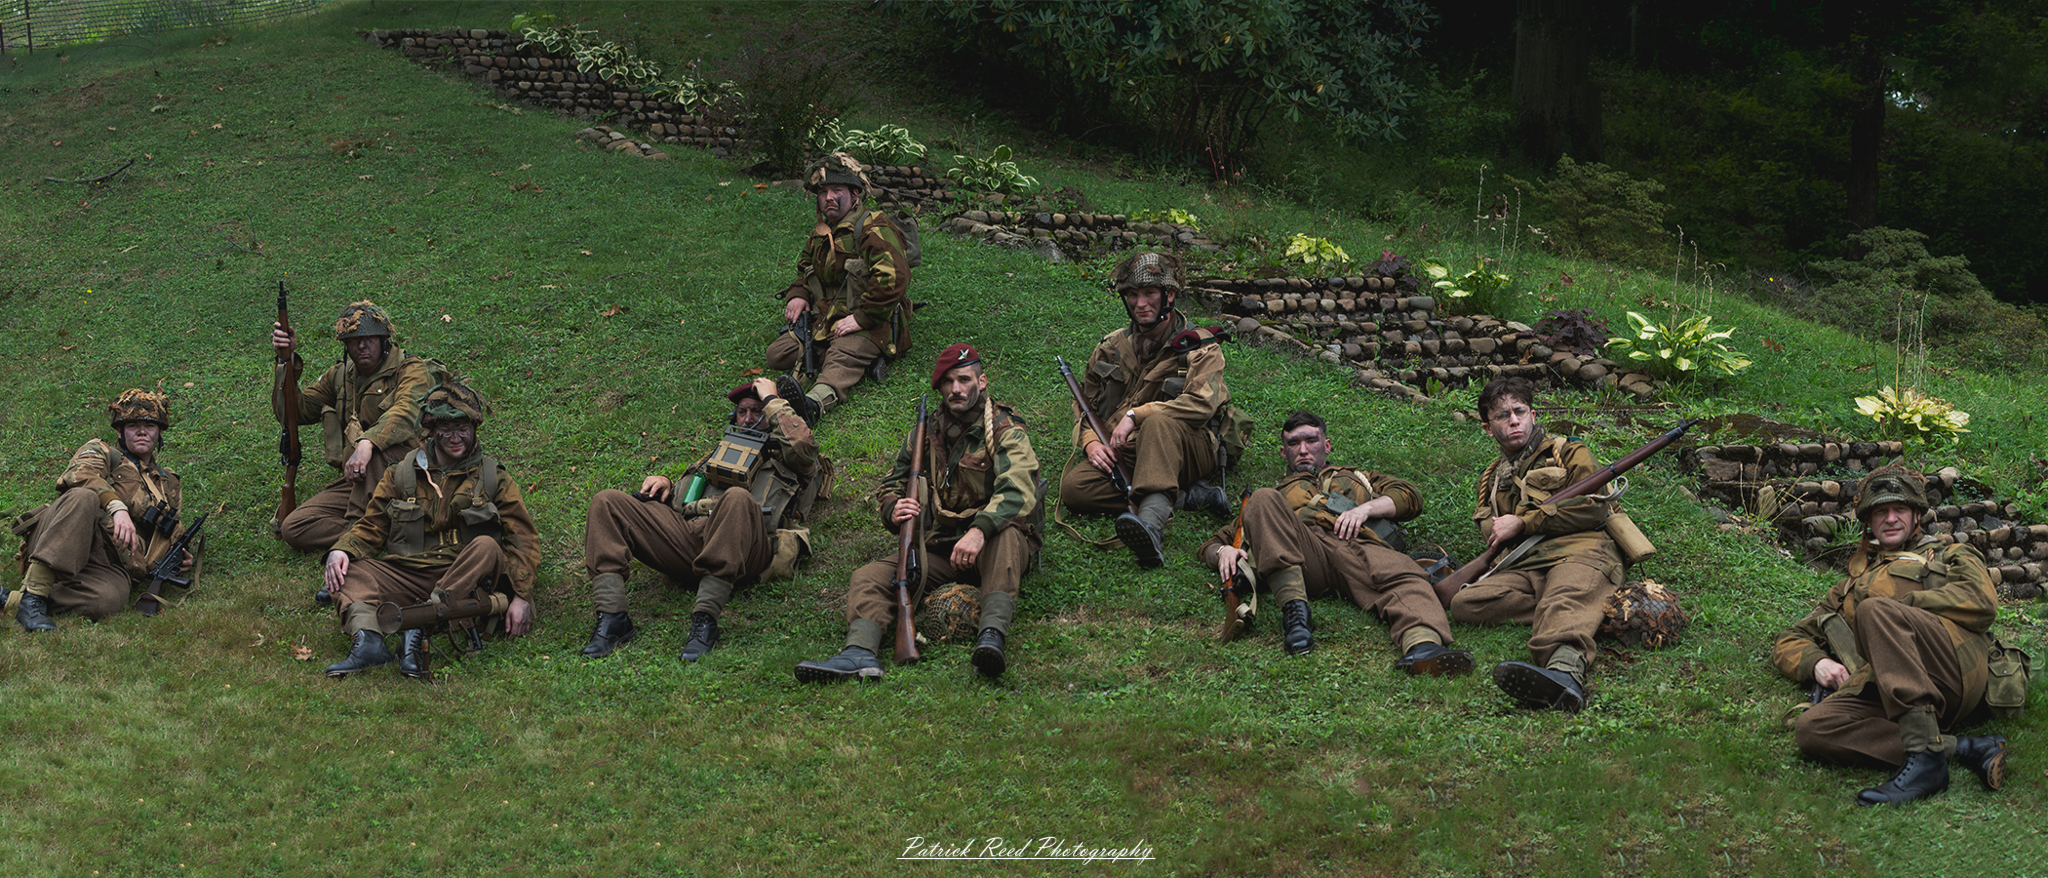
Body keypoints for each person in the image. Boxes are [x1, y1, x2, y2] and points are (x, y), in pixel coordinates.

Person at [796, 343, 1041, 681]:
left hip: (993, 546)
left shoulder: (1004, 430)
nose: (956, 389)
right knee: (868, 577)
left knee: (1008, 533)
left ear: (981, 382)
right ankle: (860, 653)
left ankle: (991, 637)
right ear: (939, 387)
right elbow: (891, 484)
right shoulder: (924, 435)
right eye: (948, 382)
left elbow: (1018, 488)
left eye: (965, 380)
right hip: (939, 545)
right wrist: (894, 509)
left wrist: (979, 530)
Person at [1773, 465, 2013, 805]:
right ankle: (1961, 748)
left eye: (1899, 509)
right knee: (1813, 729)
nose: (1890, 519)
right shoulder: (1849, 588)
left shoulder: (1948, 554)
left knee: (1875, 610)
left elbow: (1982, 602)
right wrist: (1817, 664)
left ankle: (1924, 762)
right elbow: (1791, 636)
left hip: (1952, 670)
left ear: (1916, 516)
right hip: (1885, 686)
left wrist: (1902, 606)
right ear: (1869, 523)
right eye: (1880, 512)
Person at [1198, 411, 1472, 672]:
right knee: (1262, 497)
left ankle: (1422, 648)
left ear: (1326, 445)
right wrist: (1222, 551)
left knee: (1405, 576)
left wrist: (1365, 509)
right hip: (1305, 555)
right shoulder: (1276, 494)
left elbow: (1409, 496)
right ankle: (1295, 618)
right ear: (1284, 452)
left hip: (1361, 546)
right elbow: (1213, 544)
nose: (1303, 449)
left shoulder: (1360, 478)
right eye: (1293, 443)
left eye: (1311, 440)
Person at [580, 376, 824, 662]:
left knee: (737, 498)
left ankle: (705, 620)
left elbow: (803, 445)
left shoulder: (792, 460)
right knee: (606, 501)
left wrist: (772, 400)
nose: (746, 419)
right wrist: (667, 484)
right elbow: (683, 503)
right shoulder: (720, 455)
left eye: (756, 412)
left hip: (748, 548)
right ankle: (613, 618)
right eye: (742, 412)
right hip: (690, 539)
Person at [320, 384, 538, 678]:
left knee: (487, 545)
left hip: (467, 575)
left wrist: (522, 596)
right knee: (350, 571)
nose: (456, 438)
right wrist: (341, 550)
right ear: (431, 430)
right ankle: (369, 643)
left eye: (463, 427)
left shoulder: (492, 477)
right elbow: (372, 526)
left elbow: (522, 538)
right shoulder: (401, 473)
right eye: (446, 429)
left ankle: (420, 625)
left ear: (474, 427)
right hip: (411, 573)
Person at [1447, 377, 1624, 712]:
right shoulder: (1492, 478)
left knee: (1565, 596)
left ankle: (1564, 675)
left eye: (1520, 411)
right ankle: (1573, 609)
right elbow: (1493, 531)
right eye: (1502, 416)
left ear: (1532, 413)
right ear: (1488, 428)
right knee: (1465, 604)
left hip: (1583, 549)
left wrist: (1524, 521)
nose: (1514, 420)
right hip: (1528, 563)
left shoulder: (1569, 451)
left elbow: (1593, 506)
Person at [1059, 252, 1232, 568]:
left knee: (1157, 423)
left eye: (1150, 293)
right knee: (1075, 489)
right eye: (1133, 295)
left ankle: (1151, 527)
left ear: (1169, 295)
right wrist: (1090, 441)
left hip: (1188, 447)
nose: (1141, 303)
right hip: (1129, 450)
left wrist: (1136, 414)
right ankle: (1188, 497)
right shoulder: (1111, 347)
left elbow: (1201, 404)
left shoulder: (1200, 345)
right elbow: (1085, 404)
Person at [272, 301, 435, 587]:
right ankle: (377, 530)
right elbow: (292, 413)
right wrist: (286, 361)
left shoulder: (411, 369)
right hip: (360, 481)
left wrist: (367, 442)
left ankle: (352, 548)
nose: (362, 346)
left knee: (373, 457)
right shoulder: (340, 376)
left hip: (408, 477)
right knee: (294, 527)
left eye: (369, 339)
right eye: (354, 341)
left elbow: (407, 411)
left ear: (384, 340)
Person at [6, 390, 198, 630]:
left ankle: (13, 599)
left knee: (108, 601)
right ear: (120, 431)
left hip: (114, 561)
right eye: (133, 425)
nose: (141, 431)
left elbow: (168, 528)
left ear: (159, 432)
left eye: (149, 425)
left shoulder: (168, 481)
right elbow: (79, 475)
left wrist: (177, 554)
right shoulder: (102, 451)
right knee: (83, 497)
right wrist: (117, 507)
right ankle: (33, 596)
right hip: (67, 536)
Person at [763, 151, 913, 416]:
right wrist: (798, 294)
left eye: (837, 190)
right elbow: (805, 269)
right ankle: (863, 361)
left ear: (855, 195)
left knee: (842, 356)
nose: (829, 197)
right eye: (823, 192)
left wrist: (862, 319)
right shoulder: (821, 232)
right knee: (778, 354)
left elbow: (894, 279)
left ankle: (813, 404)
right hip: (825, 318)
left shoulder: (872, 227)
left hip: (869, 320)